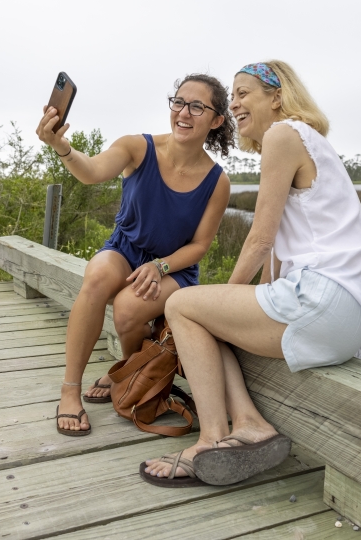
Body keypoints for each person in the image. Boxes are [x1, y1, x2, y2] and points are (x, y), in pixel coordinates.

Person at [141, 61, 361, 487]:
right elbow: (278, 255)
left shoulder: (284, 134)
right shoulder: (309, 141)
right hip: (346, 315)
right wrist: (227, 311)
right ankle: (249, 424)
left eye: (243, 93)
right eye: (232, 97)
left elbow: (260, 239)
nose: (233, 105)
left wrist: (218, 301)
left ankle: (210, 439)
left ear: (277, 96)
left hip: (320, 300)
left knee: (181, 304)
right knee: (207, 321)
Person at [35, 74, 234, 436]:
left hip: (173, 267)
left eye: (197, 106)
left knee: (127, 308)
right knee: (96, 279)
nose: (183, 113)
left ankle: (127, 373)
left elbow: (200, 246)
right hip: (125, 248)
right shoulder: (137, 147)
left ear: (216, 120)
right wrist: (61, 146)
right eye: (178, 102)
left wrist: (159, 267)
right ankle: (69, 391)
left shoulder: (217, 181)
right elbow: (92, 171)